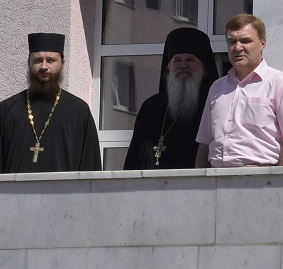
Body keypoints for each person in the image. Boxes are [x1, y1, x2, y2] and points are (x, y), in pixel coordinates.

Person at [195, 14, 283, 167]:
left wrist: (282, 185)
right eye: (231, 41)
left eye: (245, 41)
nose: (237, 47)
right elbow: (205, 142)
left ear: (262, 44)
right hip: (217, 179)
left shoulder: (281, 84)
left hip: (260, 180)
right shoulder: (217, 88)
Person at [0, 33, 100, 173]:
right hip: (13, 194)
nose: (44, 66)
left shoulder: (79, 111)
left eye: (51, 60)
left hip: (64, 194)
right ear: (29, 62)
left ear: (62, 63)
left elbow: (90, 166)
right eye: (38, 60)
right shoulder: (6, 110)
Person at [124, 27, 219, 169]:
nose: (183, 65)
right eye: (177, 60)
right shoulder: (150, 106)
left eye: (190, 60)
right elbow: (134, 153)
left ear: (203, 68)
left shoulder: (213, 102)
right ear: (168, 67)